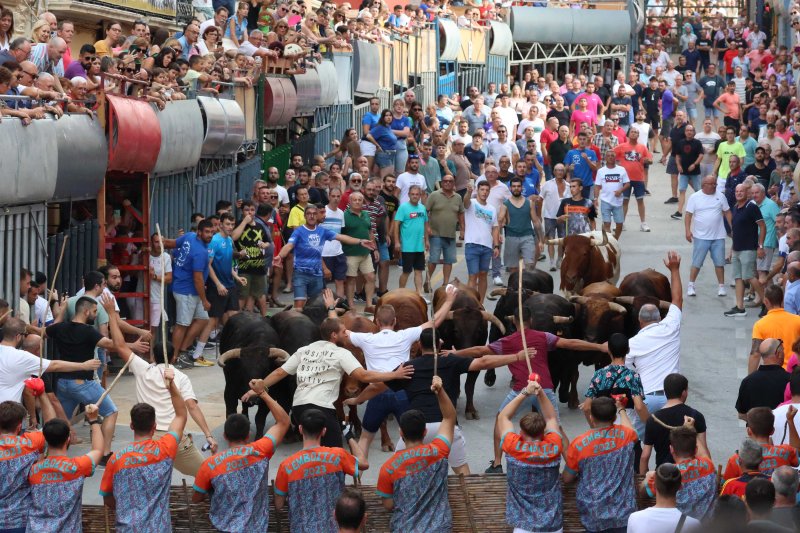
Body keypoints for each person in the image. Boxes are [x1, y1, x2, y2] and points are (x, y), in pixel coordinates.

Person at [252, 313, 413, 448]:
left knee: (310, 447)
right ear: (334, 335)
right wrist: (394, 375)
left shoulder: (304, 350)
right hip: (322, 407)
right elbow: (364, 376)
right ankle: (333, 482)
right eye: (343, 332)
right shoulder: (341, 354)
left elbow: (280, 372)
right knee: (335, 450)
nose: (346, 334)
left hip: (300, 407)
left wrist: (257, 387)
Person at [102, 295, 217, 476]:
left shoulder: (143, 369)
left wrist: (111, 315)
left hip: (148, 439)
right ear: (173, 357)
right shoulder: (180, 377)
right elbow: (192, 407)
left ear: (153, 357)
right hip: (174, 439)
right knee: (206, 474)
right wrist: (208, 435)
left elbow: (119, 345)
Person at [348, 285, 458, 460]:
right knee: (413, 440)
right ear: (395, 322)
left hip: (376, 393)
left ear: (376, 322)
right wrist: (450, 300)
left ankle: (358, 476)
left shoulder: (366, 338)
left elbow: (341, 332)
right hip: (402, 394)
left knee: (365, 438)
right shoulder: (404, 335)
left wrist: (331, 309)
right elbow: (434, 322)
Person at [192, 380, 290, 532]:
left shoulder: (210, 465)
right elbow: (283, 421)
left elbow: (197, 498)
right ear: (248, 435)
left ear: (224, 435)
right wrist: (262, 393)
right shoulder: (261, 450)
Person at [99, 366, 188, 532]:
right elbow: (181, 415)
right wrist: (172, 385)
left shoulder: (117, 458)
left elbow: (108, 500)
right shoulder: (166, 448)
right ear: (154, 426)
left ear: (131, 425)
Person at [46, 297, 121, 465]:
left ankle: (51, 456)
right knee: (111, 412)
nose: (95, 314)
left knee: (60, 423)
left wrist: (62, 310)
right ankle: (105, 453)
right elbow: (112, 344)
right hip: (82, 383)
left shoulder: (59, 328)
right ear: (86, 311)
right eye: (94, 311)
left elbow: (45, 331)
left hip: (63, 383)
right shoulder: (88, 331)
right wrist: (112, 316)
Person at [376, 375, 455, 532]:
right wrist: (440, 390)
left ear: (400, 433)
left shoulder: (388, 468)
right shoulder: (439, 451)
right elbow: (449, 417)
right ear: (425, 432)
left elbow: (388, 505)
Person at [273, 408, 367, 532]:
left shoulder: (286, 466)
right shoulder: (338, 456)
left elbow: (279, 505)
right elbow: (364, 463)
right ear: (323, 431)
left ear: (300, 429)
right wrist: (349, 436)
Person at [626, 251, 684, 435]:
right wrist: (674, 270)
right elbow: (677, 299)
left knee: (640, 442)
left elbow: (626, 372)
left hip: (646, 400)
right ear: (660, 317)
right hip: (672, 399)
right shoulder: (670, 326)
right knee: (673, 441)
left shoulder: (632, 343)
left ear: (639, 321)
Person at [275, 204, 375, 310]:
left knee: (317, 305)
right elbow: (289, 245)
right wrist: (280, 256)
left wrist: (360, 241)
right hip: (301, 274)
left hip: (317, 275)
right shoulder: (298, 232)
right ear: (305, 216)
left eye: (314, 214)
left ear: (317, 215)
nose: (312, 216)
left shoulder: (322, 231)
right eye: (309, 214)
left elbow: (342, 237)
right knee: (299, 306)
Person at [497, 378, 564, 533]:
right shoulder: (554, 445)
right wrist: (540, 393)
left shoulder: (512, 445)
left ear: (521, 431)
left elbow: (503, 417)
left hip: (523, 525)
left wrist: (525, 392)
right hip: (552, 523)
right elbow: (551, 418)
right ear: (544, 432)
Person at [563, 396, 638, 532]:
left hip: (593, 516)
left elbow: (567, 478)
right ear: (614, 419)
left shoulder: (579, 444)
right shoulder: (627, 436)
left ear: (591, 417)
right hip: (623, 514)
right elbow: (632, 431)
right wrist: (621, 409)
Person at [27, 403, 104, 532]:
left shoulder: (33, 469)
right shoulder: (78, 467)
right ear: (68, 439)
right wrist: (94, 420)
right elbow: (98, 450)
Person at [0, 317, 101, 403]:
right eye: (25, 334)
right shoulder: (21, 357)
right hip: (7, 414)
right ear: (18, 336)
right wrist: (83, 365)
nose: (26, 337)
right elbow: (55, 365)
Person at [0, 394, 57, 532]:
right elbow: (54, 426)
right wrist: (42, 393)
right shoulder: (32, 442)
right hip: (23, 520)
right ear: (20, 426)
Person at [160, 220, 214, 366]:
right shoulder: (201, 252)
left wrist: (162, 241)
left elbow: (172, 243)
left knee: (203, 319)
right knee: (182, 325)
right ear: (199, 232)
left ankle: (182, 351)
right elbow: (198, 279)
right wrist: (204, 300)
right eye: (207, 232)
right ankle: (174, 359)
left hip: (187, 289)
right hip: (187, 292)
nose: (210, 235)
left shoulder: (189, 236)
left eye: (211, 232)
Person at [643, 425, 717, 520]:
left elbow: (643, 493)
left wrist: (649, 477)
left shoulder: (665, 474)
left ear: (671, 449)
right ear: (696, 449)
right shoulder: (708, 465)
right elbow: (703, 454)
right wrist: (691, 428)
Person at [640, 373, 710, 471]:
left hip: (664, 475)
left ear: (665, 392)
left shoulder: (653, 419)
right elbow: (704, 454)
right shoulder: (695, 416)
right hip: (690, 474)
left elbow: (644, 457)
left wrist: (645, 480)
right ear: (684, 392)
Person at [583, 332, 649, 435]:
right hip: (625, 432)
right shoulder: (632, 376)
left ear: (608, 350)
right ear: (628, 350)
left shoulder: (598, 375)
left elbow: (586, 407)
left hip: (603, 434)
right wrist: (650, 424)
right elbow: (639, 407)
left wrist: (594, 428)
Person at [725, 182, 766, 317]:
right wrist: (731, 249)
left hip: (749, 248)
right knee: (738, 277)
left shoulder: (751, 207)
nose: (738, 193)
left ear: (746, 192)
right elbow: (735, 231)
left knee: (748, 276)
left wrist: (760, 246)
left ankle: (767, 302)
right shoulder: (736, 207)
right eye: (737, 191)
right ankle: (740, 307)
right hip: (737, 248)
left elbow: (762, 226)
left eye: (741, 191)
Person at [629, 463, 702, 533]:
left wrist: (647, 479)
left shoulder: (635, 519)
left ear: (654, 486)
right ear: (680, 487)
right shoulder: (693, 524)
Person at [463, 179, 500, 302]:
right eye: (482, 190)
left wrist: (496, 246)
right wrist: (468, 192)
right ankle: (470, 303)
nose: (484, 192)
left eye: (487, 190)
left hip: (487, 246)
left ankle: (480, 303)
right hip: (472, 244)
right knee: (473, 276)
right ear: (477, 190)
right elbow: (465, 202)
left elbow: (495, 228)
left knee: (483, 275)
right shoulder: (472, 203)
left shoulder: (492, 209)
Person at [425, 173, 464, 288]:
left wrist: (462, 229)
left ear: (454, 184)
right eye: (445, 181)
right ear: (442, 182)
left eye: (450, 181)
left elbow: (461, 214)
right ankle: (427, 281)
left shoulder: (458, 197)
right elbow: (425, 212)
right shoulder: (434, 195)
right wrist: (427, 227)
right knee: (434, 260)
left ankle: (445, 283)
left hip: (451, 234)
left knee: (449, 260)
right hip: (435, 233)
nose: (447, 183)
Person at [498, 176, 544, 272]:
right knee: (513, 269)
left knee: (530, 266)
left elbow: (536, 221)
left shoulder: (529, 203)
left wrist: (540, 240)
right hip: (511, 237)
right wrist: (499, 234)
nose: (516, 188)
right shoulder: (505, 204)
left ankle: (528, 286)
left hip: (527, 236)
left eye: (518, 186)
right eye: (514, 186)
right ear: (510, 188)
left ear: (522, 188)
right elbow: (500, 220)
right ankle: (515, 287)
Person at [750, 285, 800, 372]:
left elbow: (755, 354)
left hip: (772, 373)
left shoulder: (760, 325)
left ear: (766, 301)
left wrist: (750, 380)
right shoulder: (797, 320)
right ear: (782, 300)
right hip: (795, 371)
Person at [737, 340, 791, 418]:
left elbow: (741, 414)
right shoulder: (790, 380)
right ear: (778, 354)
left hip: (756, 429)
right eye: (783, 351)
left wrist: (758, 424)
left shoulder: (748, 381)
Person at [614, 128, 653, 232]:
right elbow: (611, 155)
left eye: (636, 132)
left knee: (640, 200)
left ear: (638, 135)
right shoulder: (622, 146)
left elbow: (650, 160)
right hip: (625, 179)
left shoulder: (642, 147)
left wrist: (648, 161)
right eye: (632, 132)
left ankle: (643, 223)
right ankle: (621, 223)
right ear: (628, 134)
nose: (634, 133)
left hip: (639, 178)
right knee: (624, 201)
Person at [393, 184, 428, 294]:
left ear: (420, 195)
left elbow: (426, 225)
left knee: (419, 271)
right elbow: (396, 225)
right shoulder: (403, 208)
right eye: (412, 194)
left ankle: (419, 294)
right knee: (406, 271)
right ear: (408, 195)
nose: (415, 196)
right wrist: (397, 242)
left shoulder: (422, 208)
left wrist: (427, 241)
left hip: (419, 247)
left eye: (417, 194)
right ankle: (401, 293)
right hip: (408, 247)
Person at [594, 150, 631, 239]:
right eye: (609, 156)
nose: (610, 157)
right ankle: (609, 241)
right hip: (605, 201)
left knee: (619, 224)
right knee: (607, 223)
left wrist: (620, 191)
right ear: (605, 158)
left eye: (612, 156)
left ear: (615, 158)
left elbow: (627, 183)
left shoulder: (621, 169)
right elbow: (597, 186)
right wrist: (595, 199)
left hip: (618, 202)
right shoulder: (601, 171)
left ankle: (615, 240)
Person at [564, 131, 599, 200]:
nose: (582, 141)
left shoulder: (591, 152)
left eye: (584, 139)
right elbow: (565, 169)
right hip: (574, 185)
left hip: (587, 184)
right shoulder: (571, 152)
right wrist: (569, 169)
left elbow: (595, 169)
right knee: (574, 206)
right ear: (577, 140)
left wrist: (587, 159)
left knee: (586, 207)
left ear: (587, 140)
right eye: (580, 139)